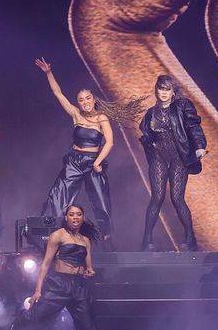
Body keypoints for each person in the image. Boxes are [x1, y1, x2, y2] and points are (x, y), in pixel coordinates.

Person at [34, 58, 143, 250]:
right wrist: (49, 73)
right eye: (81, 100)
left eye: (88, 98)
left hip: (94, 162)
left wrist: (97, 162)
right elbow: (58, 93)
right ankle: (49, 235)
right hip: (75, 161)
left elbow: (109, 142)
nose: (85, 102)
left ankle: (107, 239)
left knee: (101, 202)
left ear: (94, 99)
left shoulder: (102, 118)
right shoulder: (76, 114)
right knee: (57, 195)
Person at [139, 75, 208, 251]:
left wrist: (200, 146)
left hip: (178, 156)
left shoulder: (182, 106)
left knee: (177, 198)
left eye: (167, 89)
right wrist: (149, 143)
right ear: (156, 90)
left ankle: (190, 238)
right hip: (158, 157)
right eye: (161, 89)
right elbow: (146, 134)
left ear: (173, 92)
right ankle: (147, 240)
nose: (163, 92)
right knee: (157, 197)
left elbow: (193, 126)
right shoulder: (150, 113)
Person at [10, 204, 98, 330]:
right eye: (72, 214)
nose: (75, 217)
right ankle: (18, 323)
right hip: (59, 283)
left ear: (83, 218)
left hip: (78, 286)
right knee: (37, 315)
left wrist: (89, 272)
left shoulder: (85, 240)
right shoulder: (58, 235)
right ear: (66, 217)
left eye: (79, 214)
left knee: (87, 326)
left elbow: (89, 267)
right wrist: (38, 291)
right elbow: (46, 264)